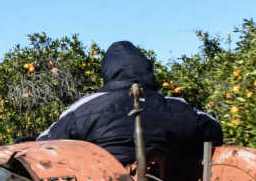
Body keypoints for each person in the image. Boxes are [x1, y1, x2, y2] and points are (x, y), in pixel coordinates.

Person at [38, 40, 222, 171]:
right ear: (147, 69)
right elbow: (214, 130)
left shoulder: (85, 108)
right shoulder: (177, 107)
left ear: (108, 72)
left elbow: (43, 144)